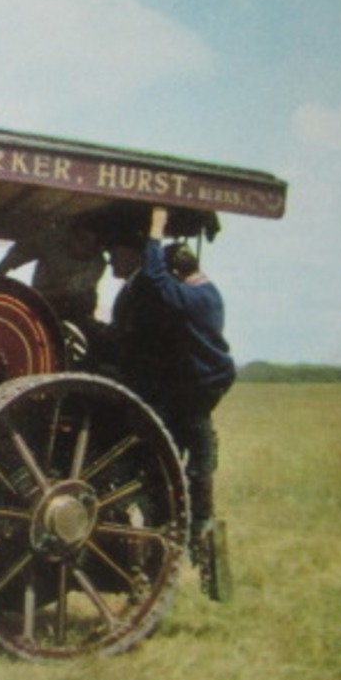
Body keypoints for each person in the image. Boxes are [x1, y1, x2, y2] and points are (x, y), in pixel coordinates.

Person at [104, 207, 235, 537]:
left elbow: (156, 278)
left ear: (177, 270)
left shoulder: (193, 300)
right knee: (186, 446)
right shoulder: (204, 292)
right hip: (198, 385)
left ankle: (198, 520)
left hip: (199, 386)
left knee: (196, 451)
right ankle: (178, 513)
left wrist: (156, 230)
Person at [0, 214, 106, 329]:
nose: (87, 251)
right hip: (41, 297)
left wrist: (29, 295)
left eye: (93, 248)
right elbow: (20, 253)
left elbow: (69, 289)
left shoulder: (97, 264)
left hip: (73, 307)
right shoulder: (51, 241)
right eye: (83, 242)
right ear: (72, 236)